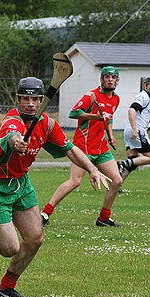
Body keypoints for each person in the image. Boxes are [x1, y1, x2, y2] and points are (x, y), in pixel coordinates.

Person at [0, 77, 112, 297]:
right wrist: (17, 143)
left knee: (35, 238)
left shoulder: (46, 124)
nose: (29, 103)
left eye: (34, 99)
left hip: (22, 184)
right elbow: (11, 136)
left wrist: (93, 169)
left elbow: (70, 149)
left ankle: (6, 287)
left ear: (40, 101)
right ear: (17, 99)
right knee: (9, 248)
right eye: (25, 98)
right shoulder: (12, 121)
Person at [40, 66, 123, 227]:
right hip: (83, 147)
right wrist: (94, 116)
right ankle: (44, 214)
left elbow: (108, 118)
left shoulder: (115, 99)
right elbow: (74, 113)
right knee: (74, 181)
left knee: (117, 180)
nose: (110, 80)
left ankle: (104, 218)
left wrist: (110, 135)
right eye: (107, 77)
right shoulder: (91, 96)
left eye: (113, 77)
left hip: (101, 148)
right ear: (102, 79)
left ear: (117, 81)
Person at [117, 76, 150, 182]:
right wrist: (134, 129)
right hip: (136, 132)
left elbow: (143, 116)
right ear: (145, 86)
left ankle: (117, 184)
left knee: (133, 161)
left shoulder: (148, 99)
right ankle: (122, 164)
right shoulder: (143, 97)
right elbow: (131, 110)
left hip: (130, 131)